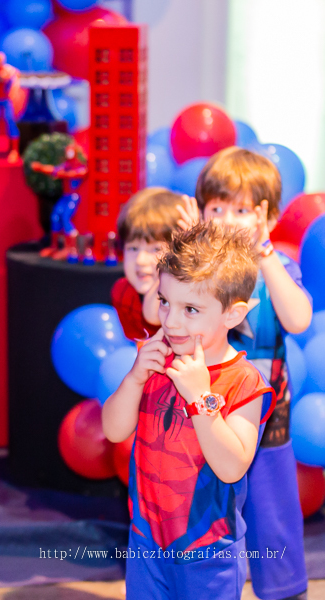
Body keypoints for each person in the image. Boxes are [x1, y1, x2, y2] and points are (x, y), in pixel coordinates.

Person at [102, 222, 273, 600]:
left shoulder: (244, 381)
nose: (171, 320)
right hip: (146, 541)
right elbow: (113, 431)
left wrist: (201, 398)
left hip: (208, 551)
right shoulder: (158, 360)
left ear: (233, 314)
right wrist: (133, 379)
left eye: (190, 309)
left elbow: (232, 467)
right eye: (165, 301)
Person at [190, 147, 312, 600]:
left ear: (269, 218)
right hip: (208, 415)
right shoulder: (195, 273)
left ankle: (283, 588)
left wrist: (264, 254)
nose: (226, 220)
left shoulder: (276, 267)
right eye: (217, 207)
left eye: (242, 210)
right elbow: (159, 313)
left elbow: (298, 319)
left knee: (272, 509)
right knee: (207, 513)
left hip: (267, 419)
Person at [110, 187, 184, 340]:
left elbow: (153, 314)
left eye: (156, 248)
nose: (140, 260)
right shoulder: (122, 292)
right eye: (133, 248)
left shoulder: (185, 296)